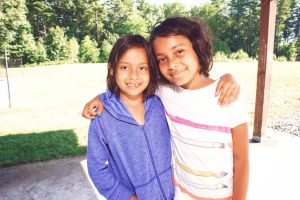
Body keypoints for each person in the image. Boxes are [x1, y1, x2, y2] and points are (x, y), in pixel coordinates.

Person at [84, 17, 249, 200]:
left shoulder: (227, 96)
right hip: (180, 195)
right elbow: (130, 87)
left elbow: (241, 160)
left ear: (197, 46)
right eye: (162, 59)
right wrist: (101, 98)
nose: (171, 64)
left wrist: (229, 76)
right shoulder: (163, 94)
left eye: (179, 52)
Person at [87, 34, 174, 200]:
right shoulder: (102, 116)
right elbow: (96, 168)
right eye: (125, 67)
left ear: (151, 70)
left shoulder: (159, 103)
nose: (134, 76)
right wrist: (126, 197)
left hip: (173, 194)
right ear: (112, 69)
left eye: (142, 68)